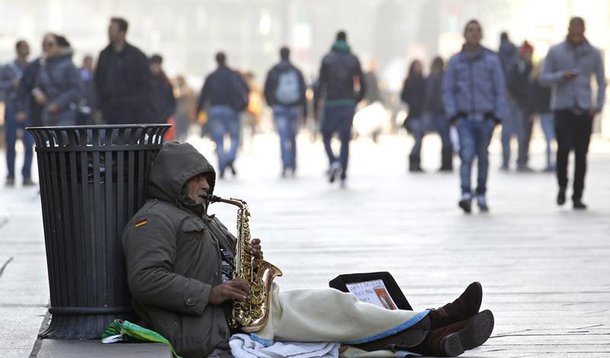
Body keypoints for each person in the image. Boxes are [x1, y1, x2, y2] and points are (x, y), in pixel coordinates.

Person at [122, 141, 495, 358]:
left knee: (334, 343)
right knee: (335, 306)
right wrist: (213, 292)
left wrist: (247, 258)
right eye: (197, 178)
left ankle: (435, 340)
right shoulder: (153, 220)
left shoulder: (202, 216)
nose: (206, 185)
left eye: (207, 177)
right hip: (219, 323)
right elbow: (146, 280)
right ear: (175, 180)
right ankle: (434, 319)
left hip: (249, 308)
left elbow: (221, 261)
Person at [540, 17, 606, 210]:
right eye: (574, 30)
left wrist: (598, 104)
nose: (577, 33)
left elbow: (601, 81)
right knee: (563, 149)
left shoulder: (593, 53)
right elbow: (543, 78)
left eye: (580, 30)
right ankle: (562, 185)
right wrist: (562, 76)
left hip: (585, 109)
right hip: (563, 107)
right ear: (568, 29)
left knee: (581, 154)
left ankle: (577, 195)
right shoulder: (555, 52)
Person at [443, 20, 506, 214]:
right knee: (466, 155)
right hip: (464, 118)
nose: (473, 34)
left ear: (482, 34)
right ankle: (465, 193)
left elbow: (499, 89)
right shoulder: (455, 62)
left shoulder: (491, 60)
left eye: (477, 31)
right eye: (470, 30)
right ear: (464, 34)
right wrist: (452, 114)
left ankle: (481, 193)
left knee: (483, 157)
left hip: (485, 117)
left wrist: (497, 115)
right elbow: (448, 90)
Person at [315, 30, 366, 187]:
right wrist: (355, 99)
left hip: (331, 103)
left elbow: (320, 84)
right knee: (345, 139)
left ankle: (333, 161)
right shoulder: (353, 59)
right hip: (347, 104)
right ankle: (343, 172)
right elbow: (362, 83)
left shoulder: (327, 60)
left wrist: (317, 103)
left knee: (325, 136)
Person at [196, 52, 249, 179]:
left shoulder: (212, 76)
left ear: (216, 60)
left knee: (218, 140)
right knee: (235, 137)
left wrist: (198, 110)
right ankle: (230, 158)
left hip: (215, 110)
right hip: (232, 110)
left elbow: (203, 95)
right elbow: (246, 89)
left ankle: (222, 165)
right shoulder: (234, 75)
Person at [95, 17, 153, 124]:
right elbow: (98, 82)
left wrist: (136, 105)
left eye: (112, 30)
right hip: (109, 112)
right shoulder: (104, 55)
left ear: (122, 32)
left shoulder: (137, 56)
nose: (109, 33)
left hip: (131, 114)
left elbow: (145, 85)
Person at [18, 34, 81, 127]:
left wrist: (58, 104)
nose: (46, 48)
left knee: (64, 140)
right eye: (44, 45)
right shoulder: (42, 64)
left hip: (66, 114)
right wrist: (37, 93)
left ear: (59, 46)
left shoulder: (69, 65)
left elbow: (76, 89)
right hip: (47, 113)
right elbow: (36, 85)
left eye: (50, 44)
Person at [263, 46, 307, 178]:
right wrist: (304, 111)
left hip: (279, 107)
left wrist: (272, 103)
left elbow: (267, 89)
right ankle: (293, 164)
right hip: (294, 107)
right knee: (292, 137)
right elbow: (303, 91)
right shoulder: (296, 71)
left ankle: (285, 164)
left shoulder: (274, 70)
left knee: (282, 137)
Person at [0, 40, 35, 187]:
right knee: (10, 142)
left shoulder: (32, 68)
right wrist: (12, 84)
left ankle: (26, 175)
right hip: (12, 110)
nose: (25, 51)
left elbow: (35, 88)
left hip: (27, 111)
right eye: (23, 48)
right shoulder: (7, 68)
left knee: (29, 143)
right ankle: (10, 175)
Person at [506, 41, 535, 172]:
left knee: (525, 133)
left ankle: (522, 159)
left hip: (526, 105)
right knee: (520, 133)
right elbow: (513, 85)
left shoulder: (529, 66)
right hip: (519, 104)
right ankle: (519, 160)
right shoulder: (518, 66)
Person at [425, 56, 453, 172]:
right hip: (445, 110)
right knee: (446, 136)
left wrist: (429, 107)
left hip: (438, 110)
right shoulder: (447, 76)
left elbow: (430, 94)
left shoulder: (433, 77)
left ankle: (446, 163)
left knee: (444, 137)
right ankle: (447, 162)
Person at [498, 32, 520, 171]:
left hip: (504, 95)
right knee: (519, 130)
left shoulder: (499, 54)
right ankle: (521, 159)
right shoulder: (516, 53)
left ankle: (506, 160)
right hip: (517, 97)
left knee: (506, 132)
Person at [400, 59, 427, 173]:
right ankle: (413, 160)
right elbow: (403, 96)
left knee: (420, 138)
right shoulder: (409, 81)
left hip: (422, 113)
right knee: (418, 138)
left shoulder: (424, 81)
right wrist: (413, 101)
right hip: (413, 114)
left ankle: (417, 162)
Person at [148, 54, 176, 125]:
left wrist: (166, 113)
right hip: (147, 118)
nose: (156, 68)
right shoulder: (145, 81)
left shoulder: (165, 82)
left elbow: (171, 101)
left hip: (162, 118)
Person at [172, 75, 196, 142]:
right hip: (182, 113)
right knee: (181, 131)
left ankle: (180, 143)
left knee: (181, 131)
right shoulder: (189, 90)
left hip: (182, 113)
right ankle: (180, 143)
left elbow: (177, 94)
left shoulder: (185, 90)